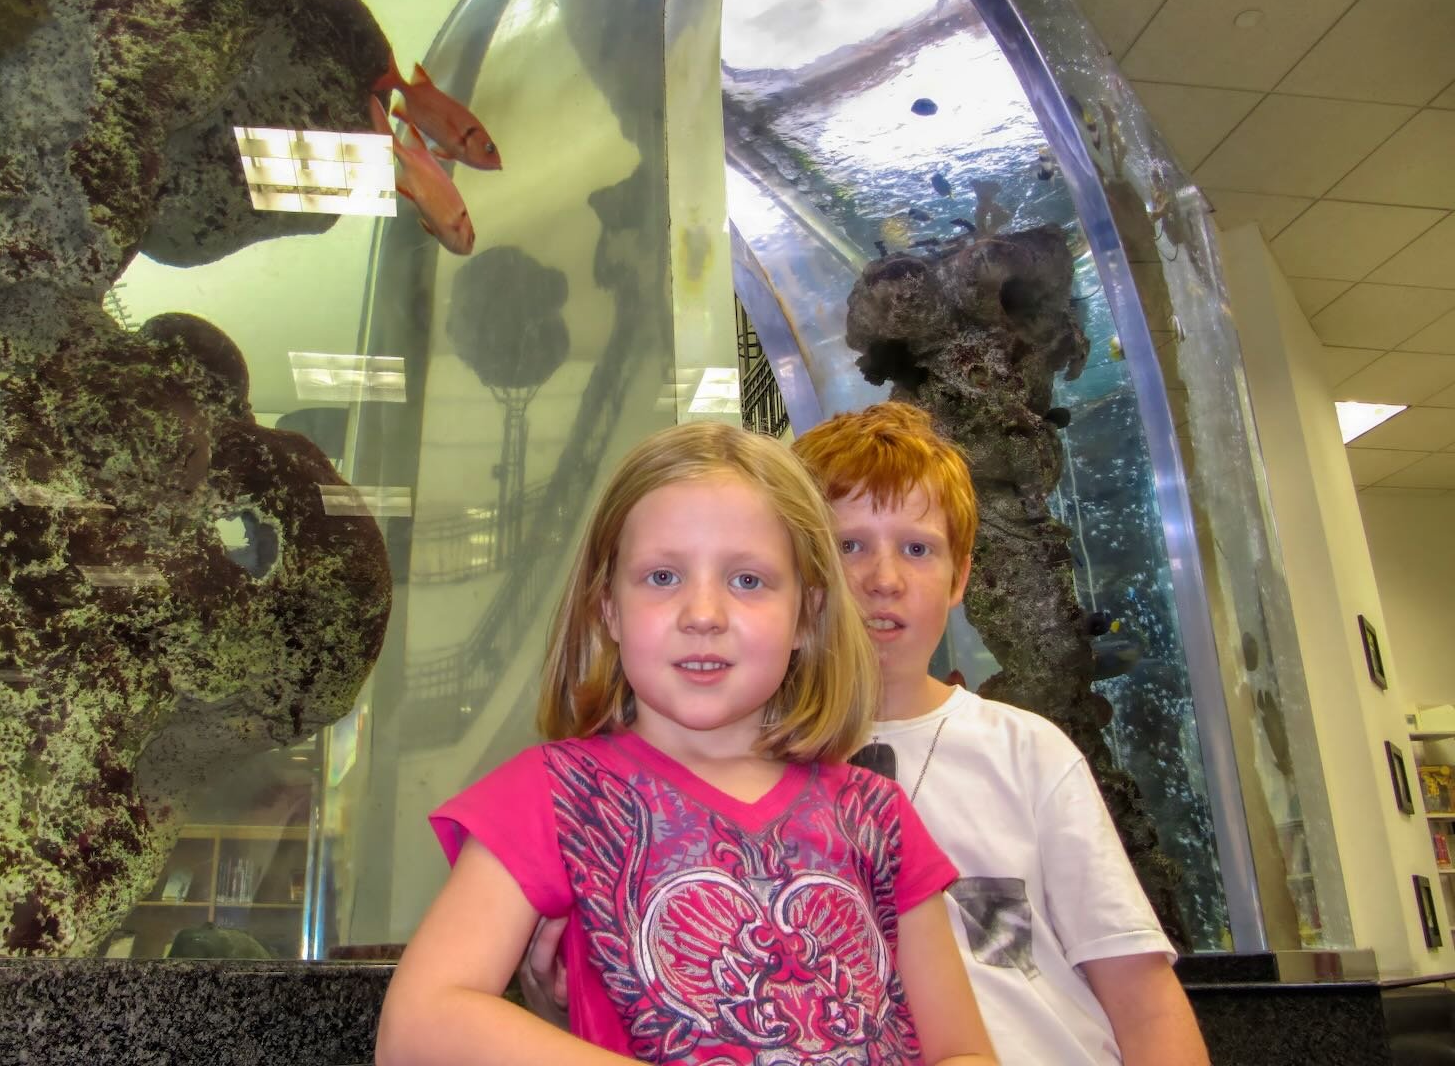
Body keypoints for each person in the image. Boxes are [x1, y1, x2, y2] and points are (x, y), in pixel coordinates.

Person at [526, 402, 1210, 1066]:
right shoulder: (697, 766)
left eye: (918, 548)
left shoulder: (1028, 752)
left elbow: (1142, 996)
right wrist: (555, 995)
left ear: (960, 577)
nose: (883, 580)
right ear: (802, 574)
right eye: (849, 545)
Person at [376, 421, 997, 1066]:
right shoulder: (553, 796)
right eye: (663, 576)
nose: (703, 614)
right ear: (608, 608)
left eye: (747, 581)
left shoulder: (878, 815)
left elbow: (963, 1052)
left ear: (808, 615)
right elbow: (419, 1025)